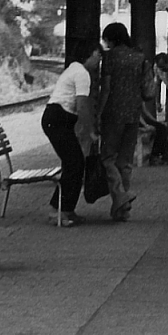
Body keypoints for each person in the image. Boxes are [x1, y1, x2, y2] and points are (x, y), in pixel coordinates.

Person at [41, 41, 102, 226]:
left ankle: (67, 209)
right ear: (90, 54)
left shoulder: (74, 69)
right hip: (58, 119)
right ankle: (56, 211)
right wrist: (91, 131)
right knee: (74, 163)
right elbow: (82, 105)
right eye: (98, 55)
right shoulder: (82, 74)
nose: (99, 60)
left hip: (57, 119)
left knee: (75, 164)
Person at [96, 22, 145, 222]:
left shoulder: (109, 58)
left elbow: (106, 88)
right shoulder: (140, 57)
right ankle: (122, 211)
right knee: (124, 162)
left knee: (107, 158)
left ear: (111, 38)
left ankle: (120, 196)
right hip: (133, 114)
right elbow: (146, 89)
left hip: (113, 115)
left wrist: (99, 113)